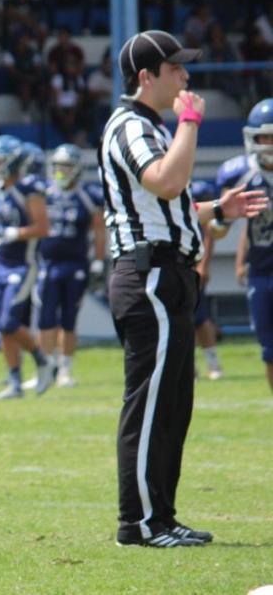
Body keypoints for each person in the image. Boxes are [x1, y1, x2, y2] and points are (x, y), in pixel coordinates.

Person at [100, 29, 267, 547]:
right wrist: (189, 122)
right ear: (145, 76)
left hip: (166, 273)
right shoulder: (131, 125)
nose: (185, 77)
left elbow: (166, 207)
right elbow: (165, 182)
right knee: (151, 405)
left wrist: (218, 209)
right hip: (148, 275)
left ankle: (162, 518)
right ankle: (139, 523)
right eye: (175, 68)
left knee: (173, 406)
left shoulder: (149, 127)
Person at [0, 136, 54, 400]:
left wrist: (12, 233)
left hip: (23, 264)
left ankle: (43, 361)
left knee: (8, 322)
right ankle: (14, 382)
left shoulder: (28, 189)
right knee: (2, 328)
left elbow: (43, 228)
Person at [35, 145, 105, 388]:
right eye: (58, 166)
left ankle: (65, 369)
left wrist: (98, 261)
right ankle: (45, 368)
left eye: (66, 166)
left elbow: (99, 230)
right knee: (45, 317)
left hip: (75, 263)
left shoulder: (88, 196)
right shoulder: (44, 193)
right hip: (47, 263)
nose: (61, 171)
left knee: (69, 318)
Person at [215, 99, 273, 394]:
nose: (270, 144)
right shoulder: (241, 175)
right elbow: (223, 229)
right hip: (261, 270)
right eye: (266, 137)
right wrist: (221, 220)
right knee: (269, 349)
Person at [189, 180, 224, 380]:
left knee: (200, 317)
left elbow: (209, 232)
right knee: (181, 319)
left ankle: (213, 362)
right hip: (175, 262)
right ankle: (190, 366)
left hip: (193, 263)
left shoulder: (199, 189)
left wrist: (204, 264)